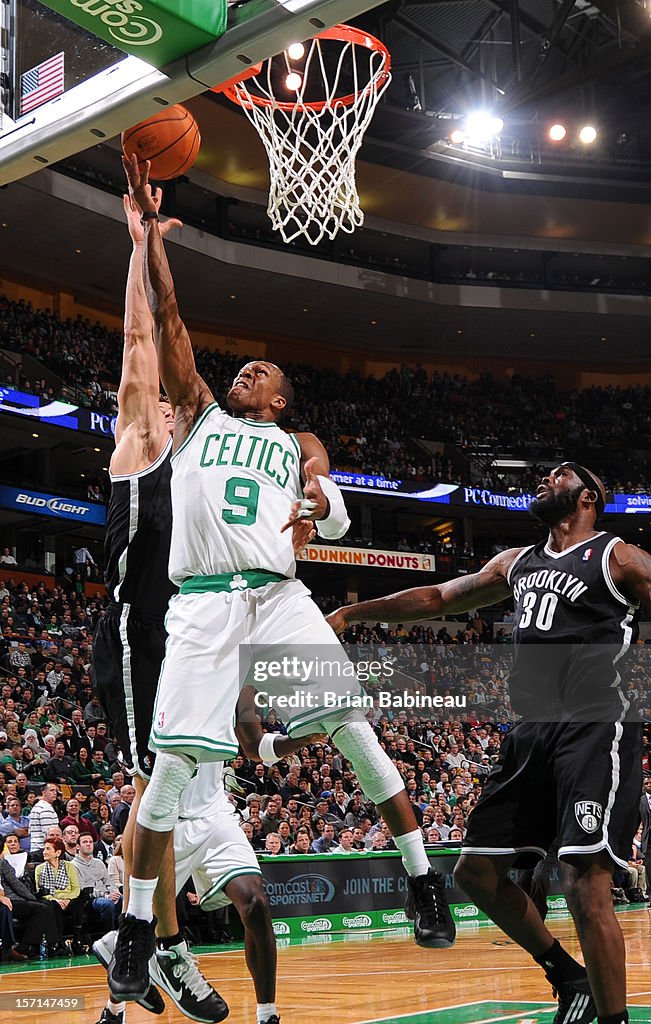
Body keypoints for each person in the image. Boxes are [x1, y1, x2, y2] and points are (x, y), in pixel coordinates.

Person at [110, 157, 456, 1004]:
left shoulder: (296, 442)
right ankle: (133, 934)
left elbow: (330, 506)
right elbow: (170, 316)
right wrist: (153, 242)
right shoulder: (194, 413)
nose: (246, 373)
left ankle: (420, 879)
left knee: (352, 722)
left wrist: (323, 508)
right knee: (169, 769)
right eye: (242, 370)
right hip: (200, 605)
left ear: (282, 395)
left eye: (262, 372)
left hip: (275, 594)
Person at [327, 463, 647, 1024]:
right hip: (530, 732)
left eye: (558, 475)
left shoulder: (617, 556)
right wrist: (354, 612)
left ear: (589, 496)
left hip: (594, 726)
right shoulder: (516, 563)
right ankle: (567, 976)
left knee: (583, 882)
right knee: (473, 873)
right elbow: (438, 598)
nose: (545, 481)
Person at [90, 189, 225, 1024]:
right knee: (156, 785)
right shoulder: (142, 442)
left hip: (183, 643)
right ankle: (153, 940)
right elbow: (143, 341)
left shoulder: (204, 462)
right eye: (164, 396)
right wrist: (140, 246)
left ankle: (146, 941)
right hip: (136, 639)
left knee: (167, 788)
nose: (171, 397)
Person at [96, 690, 322, 1024]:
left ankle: (267, 1015)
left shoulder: (237, 677)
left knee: (256, 903)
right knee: (139, 931)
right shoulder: (162, 670)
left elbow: (255, 745)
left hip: (214, 812)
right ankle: (114, 1011)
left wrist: (299, 739)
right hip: (163, 821)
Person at [34, 837, 85, 953]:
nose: (44, 852)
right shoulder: (40, 869)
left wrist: (67, 899)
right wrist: (56, 899)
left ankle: (77, 939)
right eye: (44, 849)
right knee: (53, 905)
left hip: (68, 898)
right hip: (52, 899)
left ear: (58, 852)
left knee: (78, 902)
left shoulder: (69, 866)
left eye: (48, 849)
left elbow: (76, 888)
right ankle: (59, 941)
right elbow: (40, 891)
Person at [73, 834, 122, 931]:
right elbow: (83, 888)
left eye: (90, 842)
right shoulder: (73, 865)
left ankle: (122, 934)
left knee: (123, 899)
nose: (89, 844)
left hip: (106, 894)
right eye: (85, 842)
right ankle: (109, 934)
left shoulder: (99, 862)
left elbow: (108, 881)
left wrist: (114, 892)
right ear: (78, 846)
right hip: (90, 898)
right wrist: (106, 895)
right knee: (107, 903)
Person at [28, 781, 60, 854]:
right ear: (44, 793)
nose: (55, 793)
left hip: (36, 848)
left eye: (56, 791)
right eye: (52, 790)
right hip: (43, 849)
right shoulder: (45, 808)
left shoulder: (37, 806)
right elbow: (49, 834)